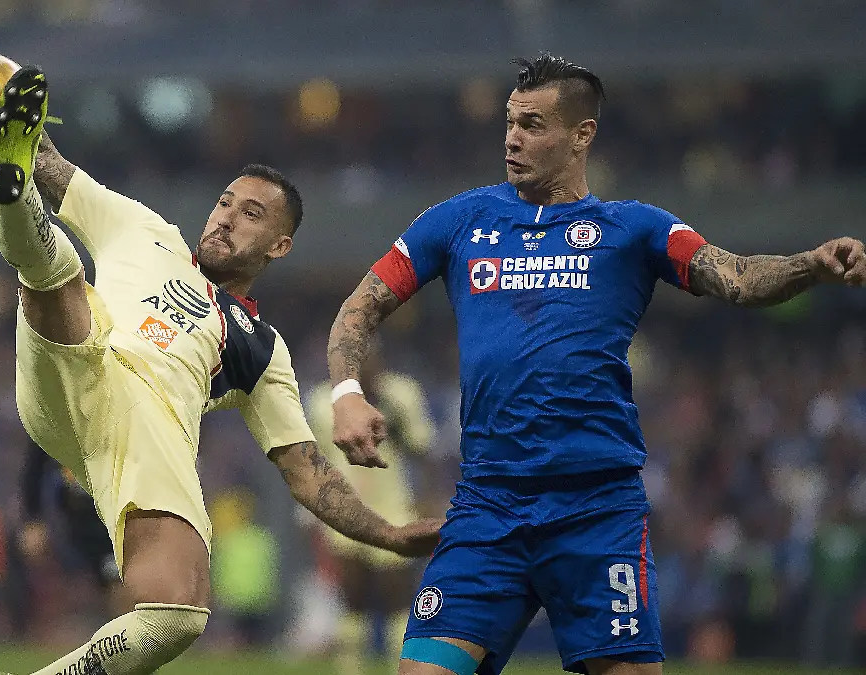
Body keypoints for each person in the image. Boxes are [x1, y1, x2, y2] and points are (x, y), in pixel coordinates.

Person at [0, 3, 441, 674]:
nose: (225, 219)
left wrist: (390, 533)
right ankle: (11, 198)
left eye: (251, 214)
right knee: (61, 273)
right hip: (76, 366)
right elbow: (46, 156)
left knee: (178, 613)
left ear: (279, 244)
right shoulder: (145, 230)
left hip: (143, 439)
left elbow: (308, 473)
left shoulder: (259, 346)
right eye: (224, 202)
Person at [326, 52, 866, 675]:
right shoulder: (458, 220)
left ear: (582, 134)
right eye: (510, 122)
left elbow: (738, 278)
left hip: (596, 510)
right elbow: (359, 307)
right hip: (487, 507)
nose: (512, 138)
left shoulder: (635, 229)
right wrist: (346, 392)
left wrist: (811, 265)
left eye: (532, 124)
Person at [305, 343, 436, 674]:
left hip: (394, 505)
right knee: (353, 596)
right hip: (344, 505)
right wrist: (311, 511)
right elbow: (313, 461)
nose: (366, 364)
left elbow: (422, 449)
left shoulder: (401, 394)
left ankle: (400, 666)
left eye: (372, 356)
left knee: (397, 594)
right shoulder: (322, 401)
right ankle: (351, 667)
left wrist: (426, 498)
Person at [19, 438, 127, 617]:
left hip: (116, 513)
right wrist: (32, 520)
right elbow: (35, 466)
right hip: (77, 519)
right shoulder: (55, 425)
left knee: (118, 579)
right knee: (98, 583)